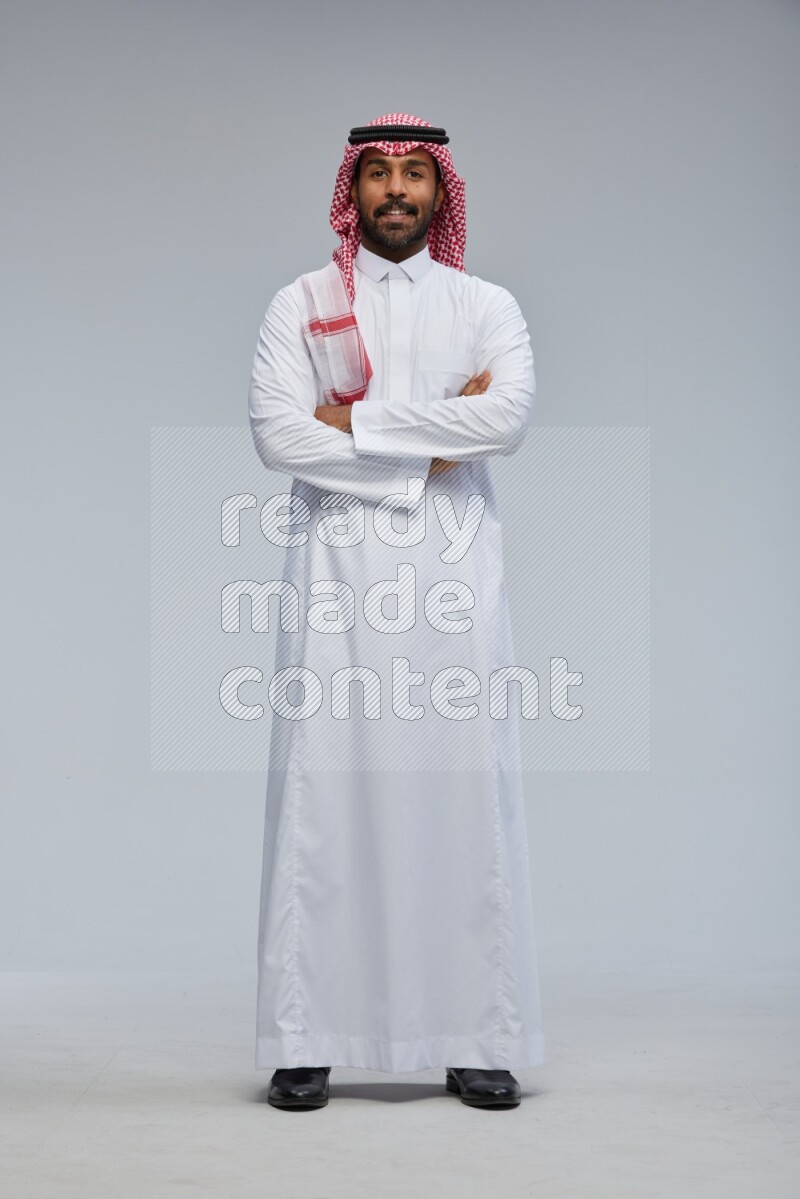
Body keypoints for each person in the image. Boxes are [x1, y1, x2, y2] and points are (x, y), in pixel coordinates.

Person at [247, 113, 545, 1110]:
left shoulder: (485, 304)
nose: (395, 192)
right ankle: (306, 1032)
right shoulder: (301, 302)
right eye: (377, 174)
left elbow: (502, 417)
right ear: (353, 189)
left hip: (455, 574)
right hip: (334, 571)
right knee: (324, 793)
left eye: (414, 174)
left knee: (460, 787)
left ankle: (474, 1034)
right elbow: (279, 436)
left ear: (440, 192)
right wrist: (428, 444)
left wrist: (360, 422)